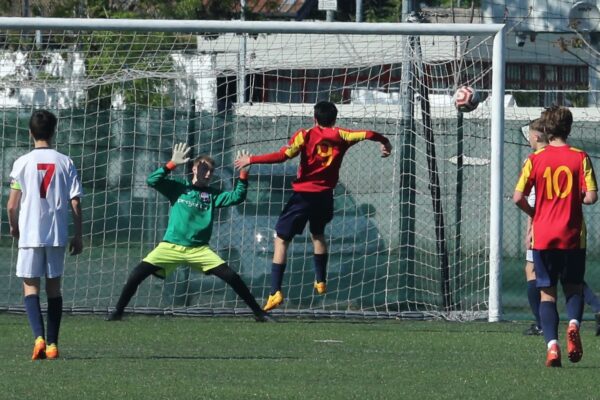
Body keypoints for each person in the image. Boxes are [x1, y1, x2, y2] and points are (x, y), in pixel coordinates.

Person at [234, 101, 392, 311]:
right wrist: (386, 143)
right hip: (325, 196)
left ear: (314, 118)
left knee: (281, 240)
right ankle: (320, 280)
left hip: (303, 196)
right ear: (335, 118)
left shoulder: (305, 135)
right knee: (318, 234)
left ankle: (275, 292)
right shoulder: (343, 135)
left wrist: (252, 159)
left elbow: (284, 156)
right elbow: (370, 134)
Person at [106, 144, 274, 322]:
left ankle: (259, 313)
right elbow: (152, 181)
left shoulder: (212, 195)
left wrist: (244, 173)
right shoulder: (179, 188)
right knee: (136, 274)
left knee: (232, 277)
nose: (208, 174)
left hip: (198, 250)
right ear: (194, 169)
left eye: (211, 171)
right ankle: (117, 312)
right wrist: (171, 163)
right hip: (170, 246)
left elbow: (237, 197)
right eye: (204, 169)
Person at [514, 106, 598, 367]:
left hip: (543, 236)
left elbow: (518, 197)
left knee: (547, 295)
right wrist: (577, 198)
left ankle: (552, 347)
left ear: (546, 130)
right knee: (573, 288)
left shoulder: (534, 159)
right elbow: (591, 197)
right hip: (573, 235)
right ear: (569, 129)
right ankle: (573, 324)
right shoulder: (580, 157)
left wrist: (536, 212)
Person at [7, 110, 83, 360]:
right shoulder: (66, 161)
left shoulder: (21, 162)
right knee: (54, 289)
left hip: (29, 233)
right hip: (56, 233)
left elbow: (11, 205)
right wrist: (78, 234)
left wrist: (14, 226)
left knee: (30, 287)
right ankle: (52, 345)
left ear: (30, 133)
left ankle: (38, 337)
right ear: (54, 132)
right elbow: (75, 202)